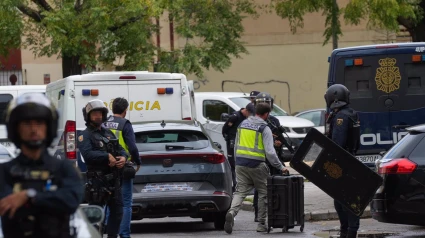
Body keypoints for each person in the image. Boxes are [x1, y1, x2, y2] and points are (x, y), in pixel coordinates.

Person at [0, 93, 84, 238]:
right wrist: (52, 199)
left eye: (39, 123)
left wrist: (29, 196)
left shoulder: (64, 168)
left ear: (48, 127)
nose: (34, 129)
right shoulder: (4, 171)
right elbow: (7, 205)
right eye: (27, 123)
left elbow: (71, 200)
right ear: (16, 128)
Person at [224, 103, 288, 234]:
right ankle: (261, 224)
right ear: (266, 114)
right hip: (257, 165)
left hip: (241, 163)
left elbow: (235, 145)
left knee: (240, 192)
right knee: (264, 192)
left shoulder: (242, 124)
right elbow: (270, 153)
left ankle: (231, 212)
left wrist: (237, 162)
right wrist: (281, 167)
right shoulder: (264, 128)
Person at [78, 99, 128, 238]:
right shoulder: (84, 135)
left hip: (114, 181)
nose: (98, 116)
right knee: (95, 215)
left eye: (100, 113)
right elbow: (87, 155)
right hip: (97, 182)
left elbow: (121, 149)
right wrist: (106, 156)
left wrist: (123, 158)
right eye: (94, 114)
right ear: (88, 116)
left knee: (118, 213)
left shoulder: (108, 133)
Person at [324, 84, 361, 238]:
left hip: (342, 162)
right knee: (341, 199)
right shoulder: (351, 113)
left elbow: (337, 144)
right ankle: (347, 231)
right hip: (350, 159)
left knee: (344, 201)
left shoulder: (341, 117)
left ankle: (348, 232)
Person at [103, 97, 142, 238]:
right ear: (125, 111)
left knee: (108, 201)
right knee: (125, 203)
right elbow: (132, 147)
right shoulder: (125, 124)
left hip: (106, 168)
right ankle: (124, 235)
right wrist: (138, 162)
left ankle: (110, 232)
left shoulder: (104, 123)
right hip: (122, 167)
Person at [252, 92, 288, 222]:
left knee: (276, 184)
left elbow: (279, 138)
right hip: (260, 158)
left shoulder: (274, 121)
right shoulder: (252, 121)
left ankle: (275, 211)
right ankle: (258, 213)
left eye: (267, 103)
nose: (265, 105)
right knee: (260, 187)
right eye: (262, 103)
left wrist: (278, 143)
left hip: (273, 157)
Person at [222, 108, 250, 193]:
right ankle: (235, 184)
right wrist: (226, 136)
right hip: (232, 142)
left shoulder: (245, 118)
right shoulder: (235, 116)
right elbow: (225, 128)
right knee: (232, 163)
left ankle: (240, 184)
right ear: (246, 110)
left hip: (239, 142)